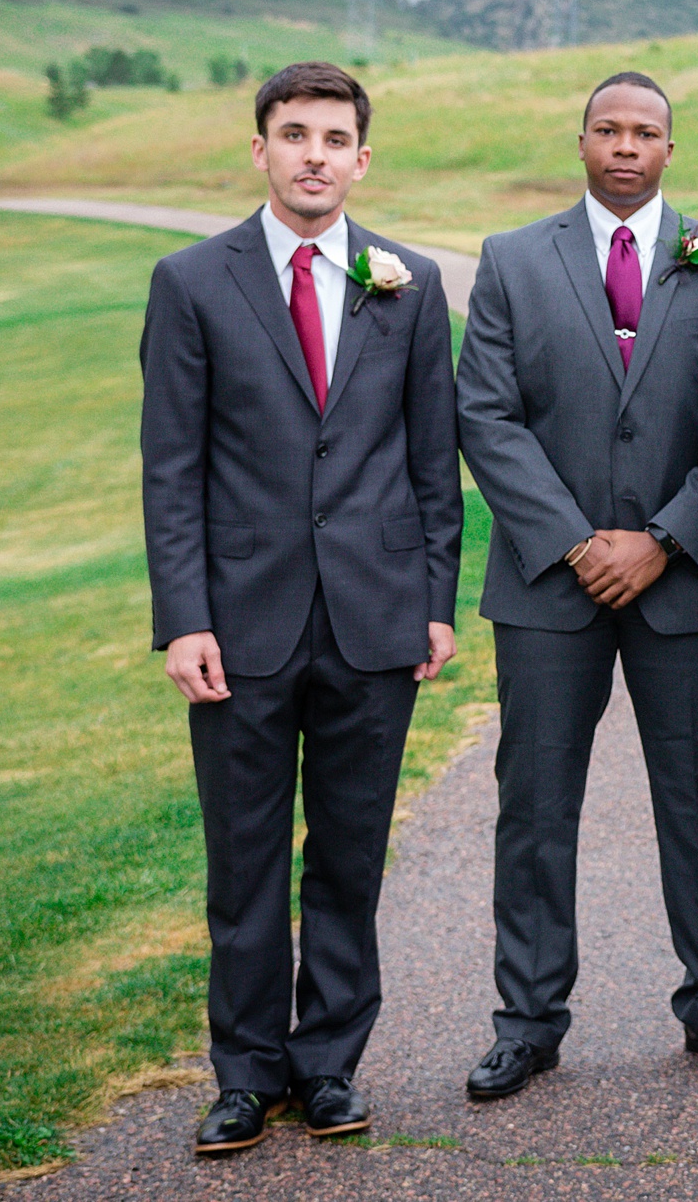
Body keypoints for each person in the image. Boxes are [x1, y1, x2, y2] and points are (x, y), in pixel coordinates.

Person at [140, 62, 463, 1153]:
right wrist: (184, 617)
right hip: (239, 624)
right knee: (243, 860)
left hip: (374, 617)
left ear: (362, 158)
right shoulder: (191, 282)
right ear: (260, 151)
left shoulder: (406, 283)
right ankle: (242, 1073)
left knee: (348, 856)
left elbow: (433, 462)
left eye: (334, 137)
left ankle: (326, 1065)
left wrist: (435, 602)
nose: (313, 154)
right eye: (293, 134)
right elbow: (170, 466)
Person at [454, 71, 698, 1099]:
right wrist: (575, 541)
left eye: (645, 132)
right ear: (579, 139)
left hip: (686, 583)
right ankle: (528, 1019)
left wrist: (665, 539)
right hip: (550, 586)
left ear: (670, 150)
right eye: (607, 129)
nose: (624, 145)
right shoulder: (511, 261)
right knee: (536, 803)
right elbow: (486, 416)